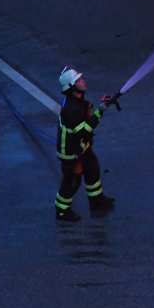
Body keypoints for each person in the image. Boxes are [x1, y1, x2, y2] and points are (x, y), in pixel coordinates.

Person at [54, 67, 117, 222]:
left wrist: (101, 107)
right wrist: (101, 110)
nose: (83, 81)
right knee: (72, 181)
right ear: (71, 86)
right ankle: (61, 211)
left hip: (82, 146)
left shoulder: (80, 102)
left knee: (92, 169)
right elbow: (84, 130)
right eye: (79, 80)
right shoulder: (70, 109)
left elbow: (88, 122)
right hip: (70, 151)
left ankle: (96, 202)